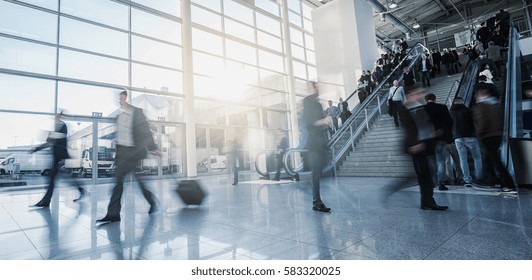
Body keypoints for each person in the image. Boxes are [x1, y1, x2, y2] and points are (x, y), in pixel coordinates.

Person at [97, 90, 159, 224]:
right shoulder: (119, 117)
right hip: (123, 155)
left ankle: (152, 201)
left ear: (125, 97)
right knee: (118, 183)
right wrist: (117, 156)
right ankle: (114, 214)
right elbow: (119, 138)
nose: (118, 100)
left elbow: (145, 131)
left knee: (137, 182)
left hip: (134, 153)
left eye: (120, 98)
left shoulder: (137, 112)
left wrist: (153, 148)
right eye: (118, 99)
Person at [397, 86, 448, 210]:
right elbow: (408, 128)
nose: (420, 94)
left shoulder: (418, 106)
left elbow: (424, 124)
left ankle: (426, 202)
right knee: (424, 174)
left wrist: (434, 133)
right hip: (415, 146)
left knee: (425, 174)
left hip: (424, 144)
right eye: (417, 92)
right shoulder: (405, 108)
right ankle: (427, 201)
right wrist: (414, 143)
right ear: (410, 94)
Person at [32, 112, 84, 207]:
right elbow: (51, 141)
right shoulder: (57, 127)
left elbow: (54, 141)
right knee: (63, 178)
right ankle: (81, 190)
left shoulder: (63, 126)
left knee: (55, 179)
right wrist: (37, 148)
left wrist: (38, 146)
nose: (55, 118)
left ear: (60, 117)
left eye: (57, 116)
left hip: (60, 157)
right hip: (56, 157)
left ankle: (46, 201)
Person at [472, 87, 517, 193]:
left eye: (477, 93)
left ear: (483, 92)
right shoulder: (497, 105)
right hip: (497, 135)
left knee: (496, 161)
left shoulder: (481, 106)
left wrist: (478, 134)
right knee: (489, 159)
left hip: (487, 136)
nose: (475, 96)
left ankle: (508, 184)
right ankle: (493, 180)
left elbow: (482, 122)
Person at [302, 81, 331, 212]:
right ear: (310, 89)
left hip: (320, 143)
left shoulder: (319, 105)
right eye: (315, 88)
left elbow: (319, 122)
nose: (317, 90)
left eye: (317, 88)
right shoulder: (306, 101)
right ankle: (317, 202)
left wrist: (325, 123)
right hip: (313, 144)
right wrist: (322, 122)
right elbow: (309, 122)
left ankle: (316, 199)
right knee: (316, 173)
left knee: (319, 172)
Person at [449, 97, 483, 187]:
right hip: (470, 136)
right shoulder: (468, 110)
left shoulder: (450, 112)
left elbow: (449, 126)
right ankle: (479, 178)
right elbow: (475, 122)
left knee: (463, 159)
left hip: (457, 138)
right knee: (477, 157)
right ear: (462, 102)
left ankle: (467, 179)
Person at [424, 93, 453, 191]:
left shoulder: (422, 109)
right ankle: (441, 183)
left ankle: (433, 182)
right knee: (441, 160)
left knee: (430, 160)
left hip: (428, 139)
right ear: (435, 99)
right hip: (441, 137)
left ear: (426, 100)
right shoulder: (442, 107)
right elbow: (449, 122)